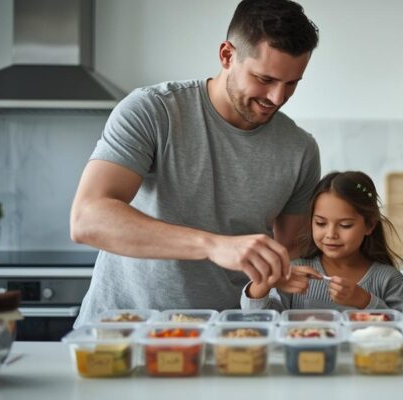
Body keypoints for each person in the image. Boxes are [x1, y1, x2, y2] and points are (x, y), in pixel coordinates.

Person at [70, 0, 321, 327]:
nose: (277, 97)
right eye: (264, 79)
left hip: (229, 341)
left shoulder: (300, 149)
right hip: (122, 333)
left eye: (292, 83)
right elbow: (87, 218)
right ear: (227, 55)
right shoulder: (153, 111)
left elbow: (290, 254)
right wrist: (213, 245)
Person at [241, 171, 403, 311]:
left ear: (370, 225)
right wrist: (263, 284)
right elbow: (258, 321)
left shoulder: (390, 280)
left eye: (345, 225)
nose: (331, 234)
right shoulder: (294, 273)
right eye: (321, 223)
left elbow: (402, 331)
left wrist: (365, 301)